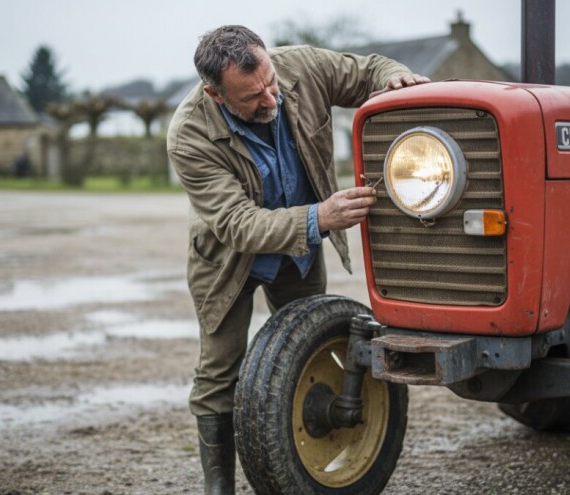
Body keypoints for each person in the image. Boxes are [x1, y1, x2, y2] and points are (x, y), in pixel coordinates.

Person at [166, 25, 429, 494]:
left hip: (298, 251)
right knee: (219, 372)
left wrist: (399, 78)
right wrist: (321, 216)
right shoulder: (188, 135)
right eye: (252, 96)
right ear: (215, 93)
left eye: (271, 82)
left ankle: (308, 463)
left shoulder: (301, 67)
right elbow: (239, 225)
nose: (270, 98)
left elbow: (371, 69)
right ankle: (218, 487)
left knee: (309, 346)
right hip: (228, 260)